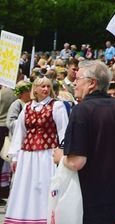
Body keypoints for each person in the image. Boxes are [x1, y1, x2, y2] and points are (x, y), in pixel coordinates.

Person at [55, 60, 115, 224]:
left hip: (88, 195)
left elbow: (76, 162)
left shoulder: (81, 110)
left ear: (91, 83)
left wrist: (60, 157)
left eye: (78, 79)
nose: (74, 83)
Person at [7, 75, 69, 224]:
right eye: (42, 86)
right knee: (26, 188)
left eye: (48, 86)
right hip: (27, 155)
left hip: (48, 154)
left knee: (45, 187)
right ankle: (25, 218)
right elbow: (19, 134)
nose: (46, 89)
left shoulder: (57, 106)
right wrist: (14, 156)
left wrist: (62, 152)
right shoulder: (27, 107)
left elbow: (64, 131)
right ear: (35, 89)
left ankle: (46, 218)